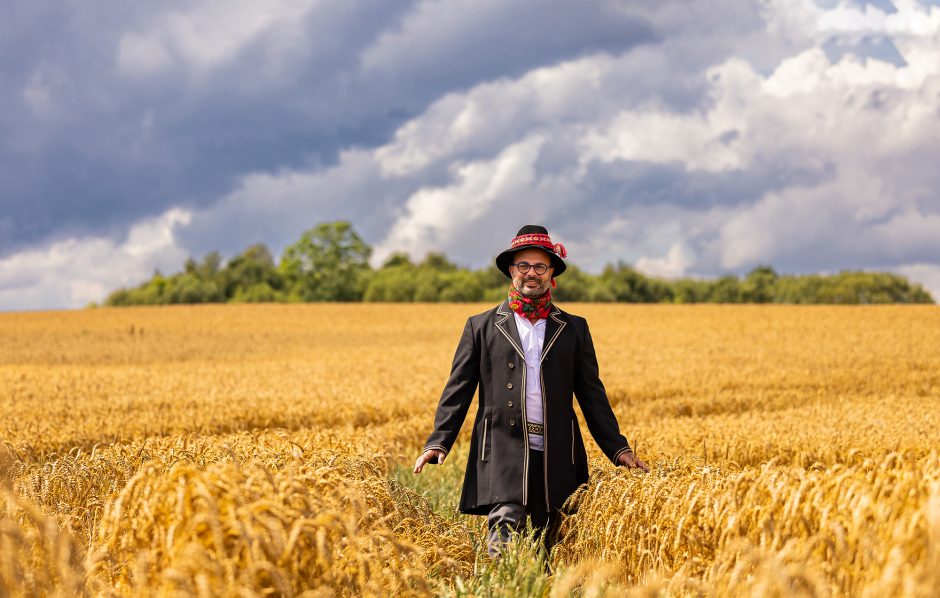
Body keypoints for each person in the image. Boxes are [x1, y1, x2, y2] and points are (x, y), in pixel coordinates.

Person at [413, 224, 648, 556]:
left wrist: (618, 449)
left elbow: (592, 394)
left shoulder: (574, 328)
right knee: (504, 530)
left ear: (551, 273)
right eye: (523, 266)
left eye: (540, 266)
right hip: (502, 449)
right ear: (512, 271)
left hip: (557, 453)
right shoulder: (481, 326)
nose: (531, 273)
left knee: (552, 545)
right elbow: (458, 389)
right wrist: (439, 440)